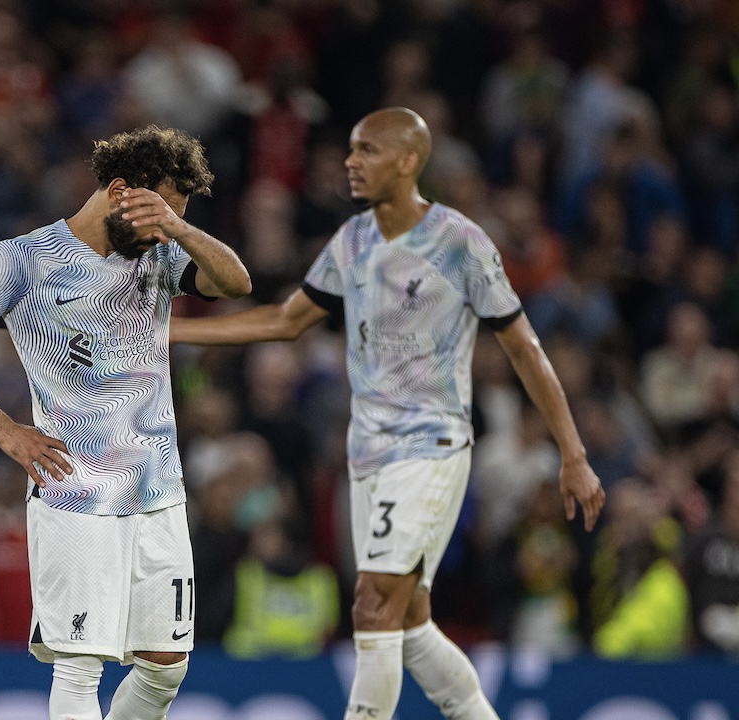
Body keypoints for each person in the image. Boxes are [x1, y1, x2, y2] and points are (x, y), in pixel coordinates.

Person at [170, 107, 605, 720]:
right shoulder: (352, 241)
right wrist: (171, 335)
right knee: (407, 623)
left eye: (367, 150)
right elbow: (286, 320)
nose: (350, 161)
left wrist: (574, 453)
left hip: (430, 447)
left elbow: (524, 348)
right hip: (367, 454)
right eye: (351, 149)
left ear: (408, 160)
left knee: (373, 604)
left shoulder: (460, 243)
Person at [0, 125, 251, 720]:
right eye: (160, 210)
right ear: (120, 190)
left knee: (165, 668)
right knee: (79, 667)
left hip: (160, 493)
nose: (163, 227)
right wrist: (5, 430)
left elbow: (236, 282)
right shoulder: (19, 260)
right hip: (75, 490)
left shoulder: (162, 254)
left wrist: (179, 226)